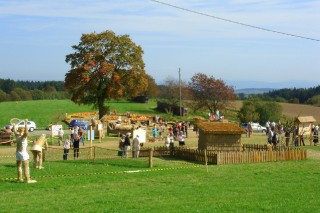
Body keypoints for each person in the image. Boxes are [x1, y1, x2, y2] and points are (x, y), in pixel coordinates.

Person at [13, 119, 36, 183]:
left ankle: (19, 178)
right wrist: (26, 123)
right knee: (26, 167)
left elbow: (15, 131)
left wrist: (14, 126)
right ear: (22, 131)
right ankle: (28, 180)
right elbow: (26, 132)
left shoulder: (17, 136)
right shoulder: (23, 137)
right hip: (23, 153)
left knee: (19, 166)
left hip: (18, 153)